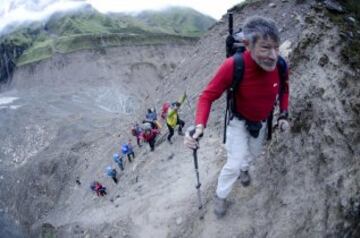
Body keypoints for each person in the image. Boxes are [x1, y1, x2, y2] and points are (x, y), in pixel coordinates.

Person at [184, 16, 290, 218]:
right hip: (238, 123)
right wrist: (199, 126)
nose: (273, 55)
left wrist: (283, 114)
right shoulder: (234, 65)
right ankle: (221, 195)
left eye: (276, 48)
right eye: (266, 48)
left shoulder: (281, 65)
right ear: (248, 44)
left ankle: (244, 168)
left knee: (252, 154)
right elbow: (207, 96)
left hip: (260, 122)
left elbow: (284, 88)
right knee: (232, 164)